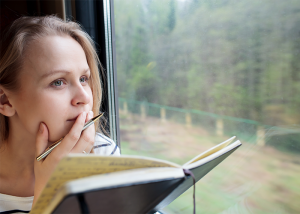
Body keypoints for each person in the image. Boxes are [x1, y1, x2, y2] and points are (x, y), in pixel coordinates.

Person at [0, 15, 120, 213]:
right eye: (58, 82)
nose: (84, 97)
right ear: (5, 100)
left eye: (83, 78)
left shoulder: (103, 153)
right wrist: (50, 191)